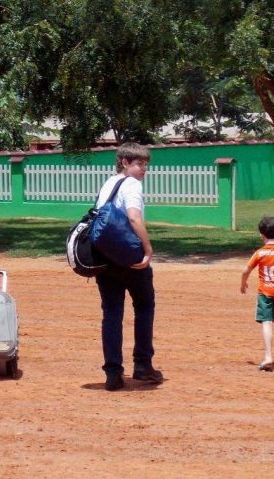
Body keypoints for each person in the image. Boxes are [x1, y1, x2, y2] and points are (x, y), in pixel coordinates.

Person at [94, 142, 162, 391]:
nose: (144, 169)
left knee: (112, 314)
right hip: (130, 259)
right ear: (124, 162)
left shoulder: (108, 183)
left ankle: (113, 373)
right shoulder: (132, 185)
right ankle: (142, 365)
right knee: (144, 306)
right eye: (139, 164)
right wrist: (147, 248)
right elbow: (134, 216)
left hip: (105, 259)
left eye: (146, 164)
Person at [240, 216, 274, 371]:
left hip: (265, 293)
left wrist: (243, 282)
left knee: (266, 322)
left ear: (261, 236)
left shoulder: (260, 253)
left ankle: (268, 356)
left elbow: (246, 270)